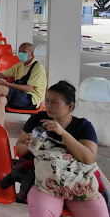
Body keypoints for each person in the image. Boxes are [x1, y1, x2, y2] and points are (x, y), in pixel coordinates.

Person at [17, 81, 108, 217]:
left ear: (70, 106)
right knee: (42, 212)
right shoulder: (37, 120)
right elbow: (20, 148)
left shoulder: (82, 126)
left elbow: (88, 158)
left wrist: (63, 133)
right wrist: (27, 144)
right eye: (47, 101)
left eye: (54, 102)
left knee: (99, 213)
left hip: (78, 181)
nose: (48, 106)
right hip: (45, 179)